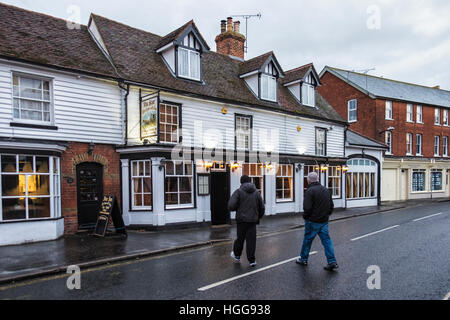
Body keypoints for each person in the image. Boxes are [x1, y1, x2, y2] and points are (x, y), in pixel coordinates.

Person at [296, 172, 339, 271]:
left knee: (307, 241)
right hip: (324, 221)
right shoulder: (326, 190)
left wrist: (306, 217)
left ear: (308, 180)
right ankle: (332, 261)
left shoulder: (310, 191)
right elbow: (331, 206)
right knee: (327, 242)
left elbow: (307, 207)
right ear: (318, 179)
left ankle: (303, 259)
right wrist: (326, 215)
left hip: (312, 221)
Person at [228, 175, 265, 267]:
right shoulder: (256, 192)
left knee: (240, 239)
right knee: (251, 241)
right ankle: (252, 260)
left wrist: (238, 208)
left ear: (241, 182)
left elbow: (231, 206)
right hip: (252, 220)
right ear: (250, 181)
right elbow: (262, 207)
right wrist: (258, 217)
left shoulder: (238, 192)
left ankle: (237, 256)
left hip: (241, 220)